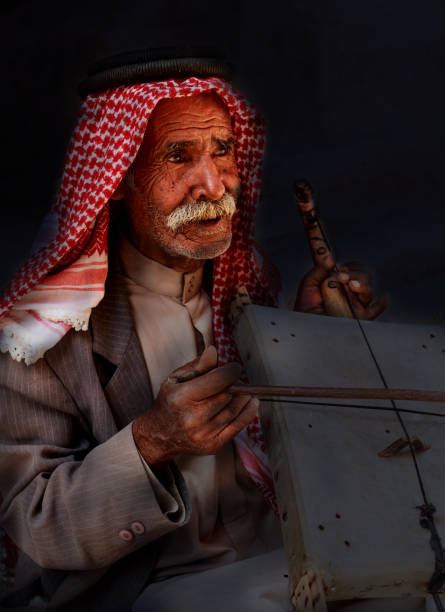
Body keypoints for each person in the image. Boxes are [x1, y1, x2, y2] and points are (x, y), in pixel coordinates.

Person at [0, 50, 389, 612]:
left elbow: (305, 450)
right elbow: (35, 526)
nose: (213, 185)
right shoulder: (38, 336)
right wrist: (151, 442)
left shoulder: (248, 286)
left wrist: (311, 338)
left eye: (223, 151)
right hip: (153, 589)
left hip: (289, 555)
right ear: (115, 179)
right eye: (178, 157)